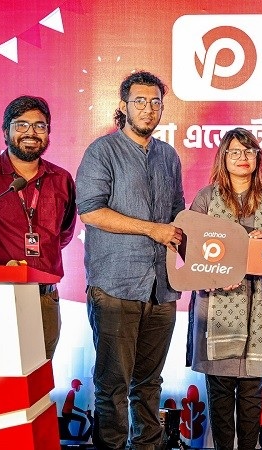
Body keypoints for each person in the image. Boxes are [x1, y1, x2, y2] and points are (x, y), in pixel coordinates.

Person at [75, 71, 185, 450]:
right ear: (124, 106)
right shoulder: (102, 151)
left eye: (155, 102)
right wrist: (153, 230)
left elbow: (178, 218)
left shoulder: (168, 156)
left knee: (150, 384)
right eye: (140, 101)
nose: (148, 109)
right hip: (115, 287)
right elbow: (90, 211)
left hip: (162, 289)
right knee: (112, 386)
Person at [186, 128, 262, 450]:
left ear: (258, 157)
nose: (242, 158)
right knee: (219, 393)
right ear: (223, 158)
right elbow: (190, 249)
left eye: (249, 151)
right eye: (234, 152)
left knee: (251, 393)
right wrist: (215, 274)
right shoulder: (206, 198)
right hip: (215, 307)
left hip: (258, 306)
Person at [0, 95, 76, 360]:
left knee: (40, 375)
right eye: (21, 125)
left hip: (44, 299)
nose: (31, 132)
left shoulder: (61, 180)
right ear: (5, 131)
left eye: (39, 126)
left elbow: (63, 234)